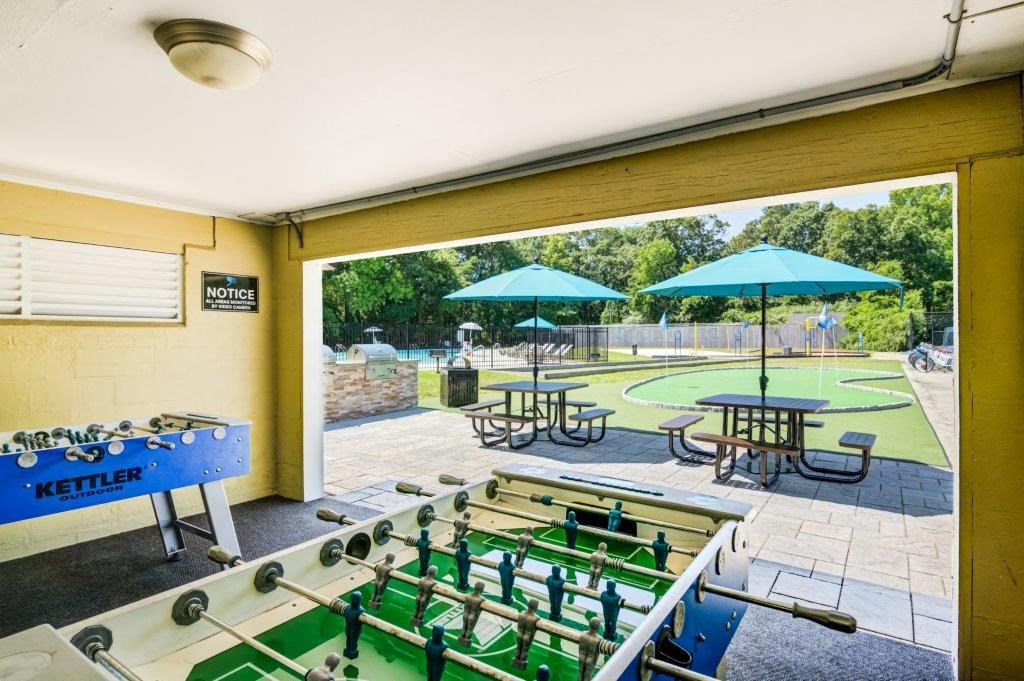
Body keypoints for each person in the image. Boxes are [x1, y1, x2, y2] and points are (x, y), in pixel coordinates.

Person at [511, 599, 541, 669]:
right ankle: (521, 665)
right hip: (527, 636)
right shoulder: (536, 617)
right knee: (524, 650)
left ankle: (514, 662)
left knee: (518, 648)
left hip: (519, 634)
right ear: (536, 607)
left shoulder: (522, 613)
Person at [459, 582, 486, 646]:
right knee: (469, 629)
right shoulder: (481, 599)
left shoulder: (467, 596)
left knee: (464, 627)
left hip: (465, 614)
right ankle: (466, 643)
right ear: (482, 589)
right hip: (473, 616)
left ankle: (460, 641)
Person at [577, 617, 603, 681]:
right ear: (598, 627)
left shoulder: (583, 634)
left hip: (581, 656)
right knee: (588, 675)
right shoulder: (599, 639)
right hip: (591, 659)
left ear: (589, 624)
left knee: (580, 672)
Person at [342, 592, 365, 659]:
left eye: (354, 599)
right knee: (348, 638)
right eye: (352, 598)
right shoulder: (348, 607)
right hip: (348, 627)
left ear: (359, 600)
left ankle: (352, 652)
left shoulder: (361, 611)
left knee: (353, 640)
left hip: (355, 630)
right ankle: (348, 650)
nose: (353, 600)